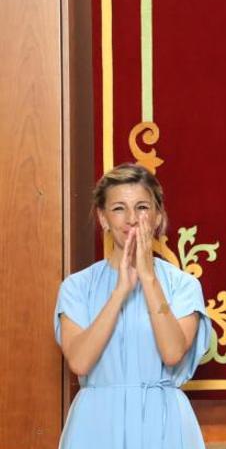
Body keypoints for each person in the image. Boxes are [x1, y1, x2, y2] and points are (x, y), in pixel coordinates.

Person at [54, 163, 211, 448]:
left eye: (141, 207)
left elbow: (172, 352)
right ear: (103, 218)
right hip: (96, 423)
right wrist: (120, 292)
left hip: (163, 423)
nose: (131, 219)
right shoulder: (76, 287)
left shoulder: (183, 286)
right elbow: (79, 361)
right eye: (118, 208)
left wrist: (148, 279)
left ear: (157, 216)